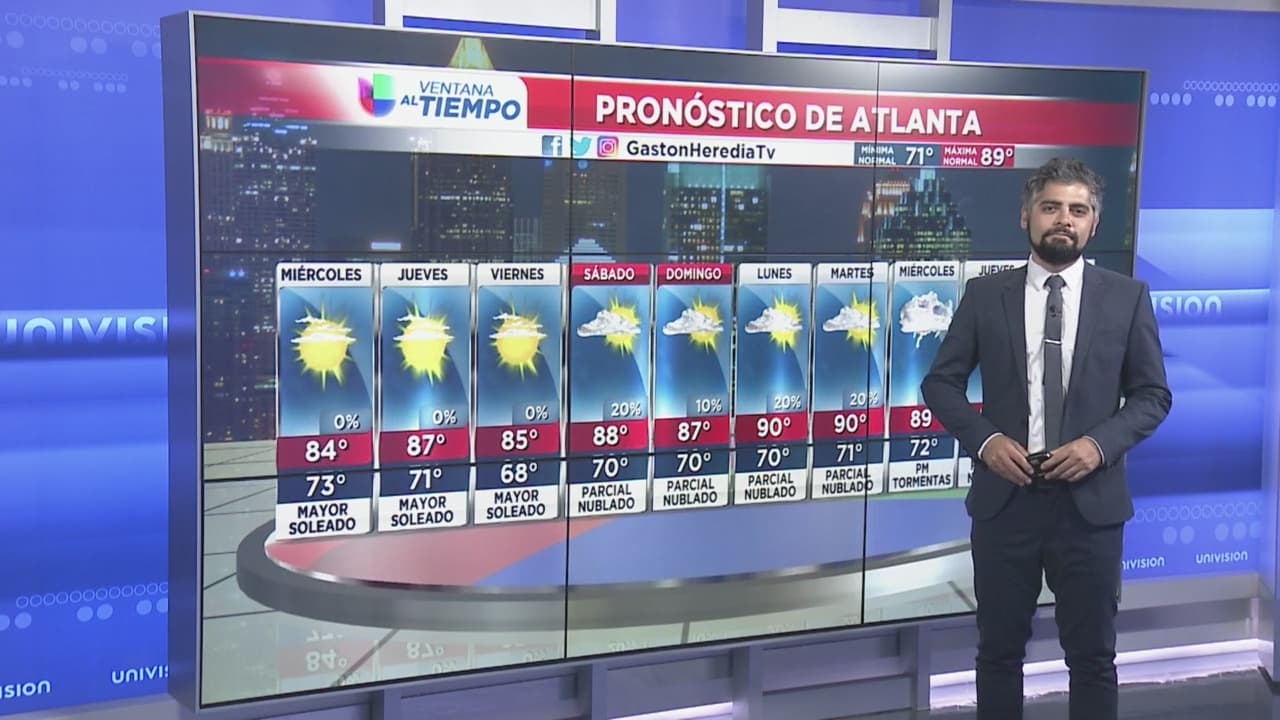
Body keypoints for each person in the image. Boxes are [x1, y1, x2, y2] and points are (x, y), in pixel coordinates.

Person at [920, 157, 1172, 720]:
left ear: (1093, 224)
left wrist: (1097, 446)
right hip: (1006, 502)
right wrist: (986, 442)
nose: (1064, 219)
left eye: (1077, 210)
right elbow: (940, 384)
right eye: (1051, 207)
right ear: (1026, 216)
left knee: (1093, 658)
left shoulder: (1128, 298)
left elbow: (1153, 395)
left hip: (1091, 508)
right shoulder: (986, 295)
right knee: (999, 654)